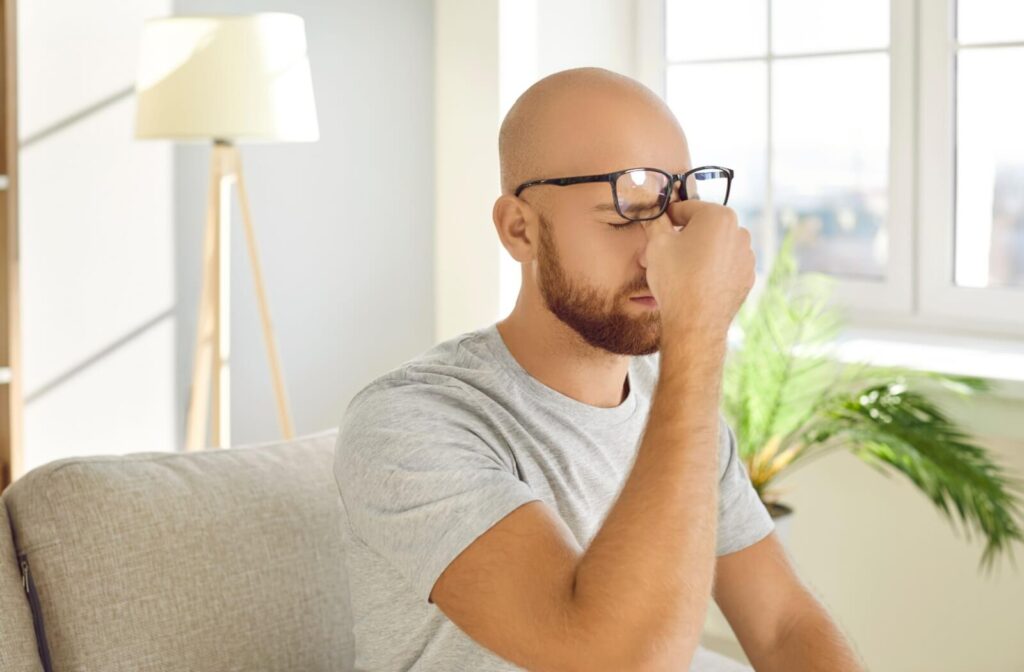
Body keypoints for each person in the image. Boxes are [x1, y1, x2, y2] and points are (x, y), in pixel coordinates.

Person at [333, 67, 864, 671]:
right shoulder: (408, 424)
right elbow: (614, 659)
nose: (662, 251)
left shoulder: (669, 404)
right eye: (624, 215)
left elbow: (783, 626)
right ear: (519, 230)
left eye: (675, 212)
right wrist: (698, 328)